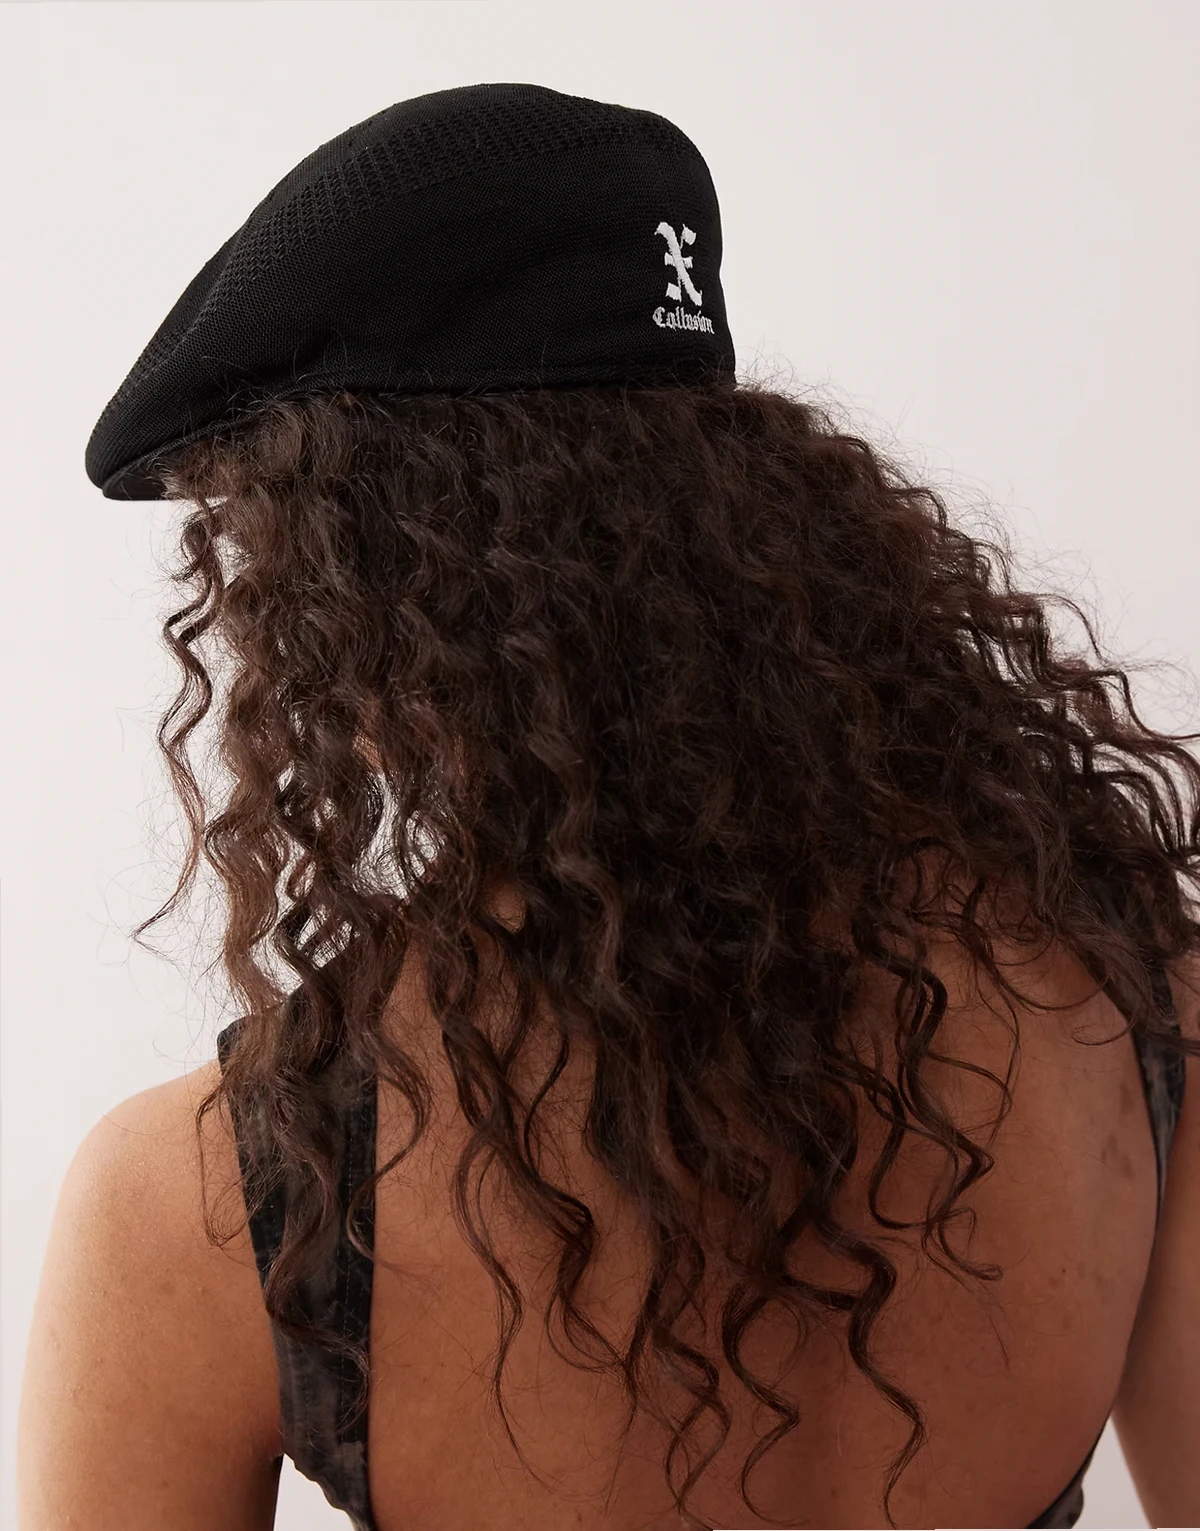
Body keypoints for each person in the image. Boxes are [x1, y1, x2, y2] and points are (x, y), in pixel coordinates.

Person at [17, 82, 1200, 1531]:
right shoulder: (1138, 1010)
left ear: (368, 605)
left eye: (272, 571)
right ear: (764, 524)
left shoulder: (219, 1206)